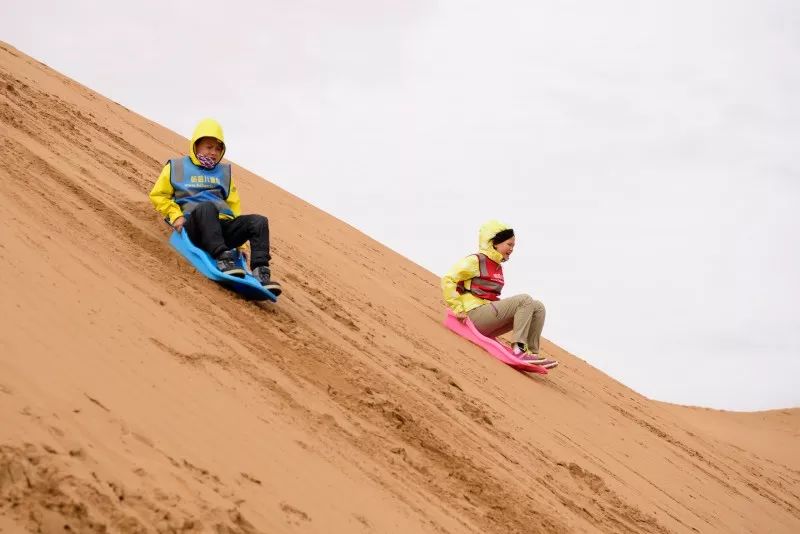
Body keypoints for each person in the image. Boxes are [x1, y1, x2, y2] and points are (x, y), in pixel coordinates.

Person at [149, 118, 281, 295]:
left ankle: (260, 270)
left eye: (218, 149)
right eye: (209, 147)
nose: (213, 152)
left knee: (258, 221)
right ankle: (221, 258)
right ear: (196, 146)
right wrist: (175, 215)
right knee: (207, 207)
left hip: (222, 228)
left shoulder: (224, 173)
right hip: (194, 226)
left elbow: (234, 206)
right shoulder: (176, 167)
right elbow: (158, 195)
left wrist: (240, 247)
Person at [441, 220, 557, 368]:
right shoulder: (476, 260)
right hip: (471, 315)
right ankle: (518, 350)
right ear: (495, 243)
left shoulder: (496, 266)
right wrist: (457, 308)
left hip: (486, 314)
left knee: (538, 307)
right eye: (509, 244)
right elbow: (448, 279)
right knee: (525, 299)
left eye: (513, 246)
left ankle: (532, 354)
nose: (512, 249)